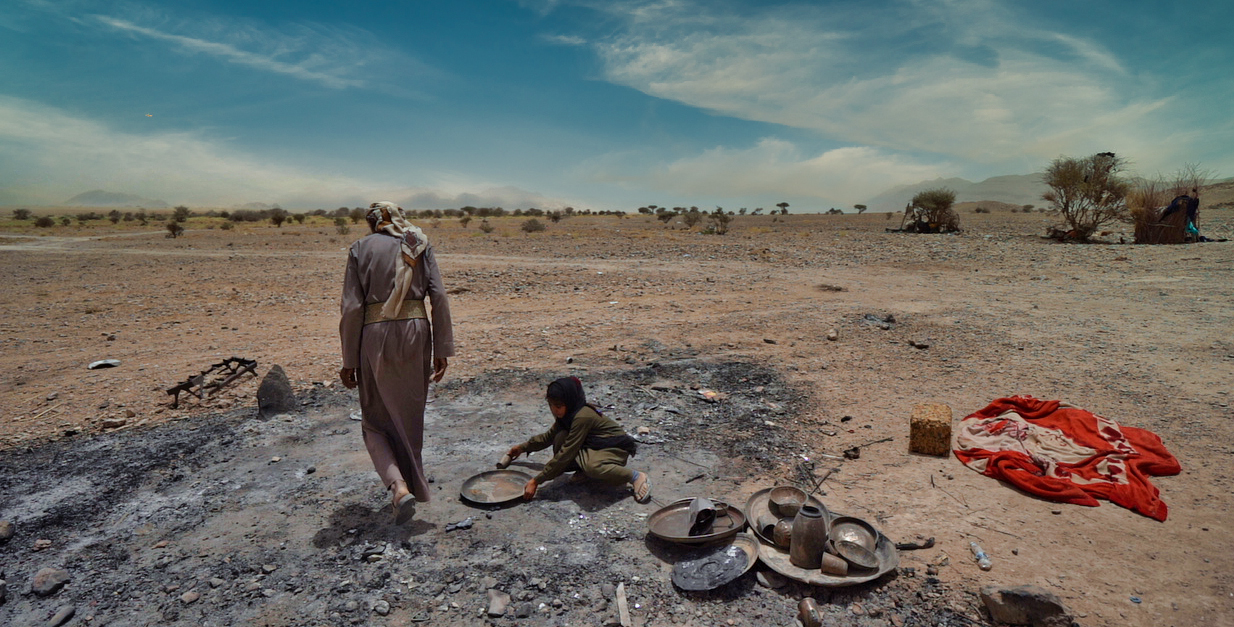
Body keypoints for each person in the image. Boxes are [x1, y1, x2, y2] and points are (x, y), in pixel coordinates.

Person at [339, 201, 453, 523]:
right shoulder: (418, 243)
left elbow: (352, 308)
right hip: (417, 334)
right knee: (409, 415)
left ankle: (399, 487)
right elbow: (439, 296)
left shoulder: (360, 248)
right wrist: (442, 348)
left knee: (374, 420)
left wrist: (349, 359)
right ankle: (410, 485)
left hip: (374, 337)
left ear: (373, 222)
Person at [504, 377, 652, 503]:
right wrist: (522, 448)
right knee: (560, 436)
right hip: (594, 446)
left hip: (613, 448)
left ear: (570, 401)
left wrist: (537, 480)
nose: (555, 410)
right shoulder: (567, 417)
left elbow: (567, 452)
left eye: (558, 406)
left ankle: (635, 476)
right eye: (551, 405)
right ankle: (585, 472)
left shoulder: (582, 416)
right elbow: (548, 437)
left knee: (593, 466)